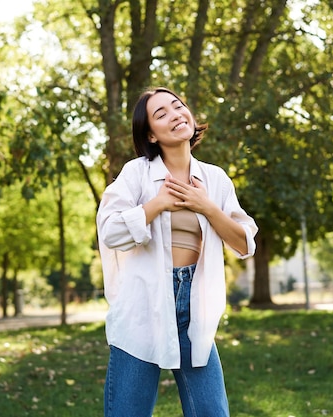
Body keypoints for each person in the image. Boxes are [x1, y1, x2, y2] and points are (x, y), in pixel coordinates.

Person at [96, 86, 258, 417]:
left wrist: (208, 208)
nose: (175, 114)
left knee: (212, 412)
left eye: (178, 105)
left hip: (193, 306)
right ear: (151, 135)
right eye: (161, 114)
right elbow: (110, 231)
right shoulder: (137, 174)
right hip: (142, 304)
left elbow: (244, 243)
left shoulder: (215, 179)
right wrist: (156, 205)